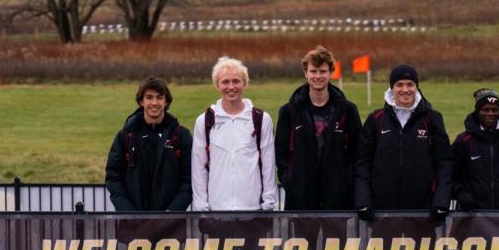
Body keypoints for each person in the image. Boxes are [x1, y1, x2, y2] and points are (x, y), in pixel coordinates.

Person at [355, 64, 452, 221]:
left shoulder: (432, 119)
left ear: (416, 87)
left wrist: (441, 202)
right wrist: (363, 200)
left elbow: (444, 163)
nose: (405, 90)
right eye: (399, 84)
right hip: (382, 211)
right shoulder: (375, 120)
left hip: (423, 210)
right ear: (392, 88)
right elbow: (362, 163)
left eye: (410, 84)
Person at [275, 46, 361, 210]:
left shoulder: (348, 110)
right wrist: (289, 179)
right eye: (313, 71)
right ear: (305, 73)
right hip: (300, 196)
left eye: (322, 71)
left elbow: (357, 152)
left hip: (338, 197)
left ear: (331, 72)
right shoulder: (289, 111)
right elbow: (280, 152)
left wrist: (347, 181)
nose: (318, 76)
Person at [192, 56, 278, 211]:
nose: (231, 87)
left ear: (245, 83)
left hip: (252, 209)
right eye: (225, 82)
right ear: (217, 85)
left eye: (236, 81)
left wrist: (268, 201)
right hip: (216, 210)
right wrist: (201, 205)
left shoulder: (261, 119)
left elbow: (269, 163)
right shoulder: (204, 121)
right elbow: (198, 166)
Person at [104, 77, 193, 211]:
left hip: (172, 224)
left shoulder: (181, 136)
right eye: (149, 97)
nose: (154, 103)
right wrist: (129, 213)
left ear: (166, 101)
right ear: (141, 101)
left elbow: (189, 180)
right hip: (132, 224)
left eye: (159, 97)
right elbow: (113, 178)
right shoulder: (125, 135)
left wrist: (172, 213)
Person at [451, 88, 499, 220]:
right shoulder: (463, 141)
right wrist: (461, 193)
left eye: (495, 110)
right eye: (485, 110)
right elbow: (451, 175)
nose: (490, 113)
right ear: (477, 111)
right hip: (471, 216)